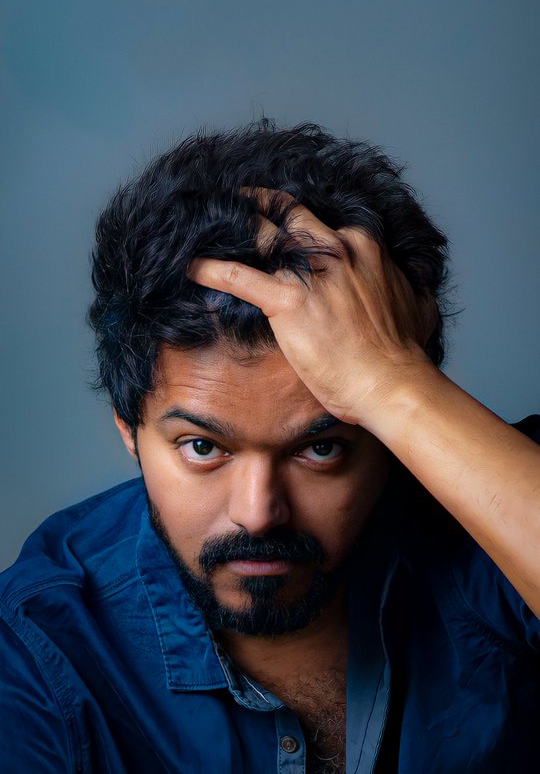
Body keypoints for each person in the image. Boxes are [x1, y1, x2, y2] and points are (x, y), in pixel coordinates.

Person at [0, 119, 538, 774]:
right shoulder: (40, 647)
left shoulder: (497, 515)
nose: (258, 514)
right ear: (128, 429)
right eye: (202, 448)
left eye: (322, 450)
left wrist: (395, 382)